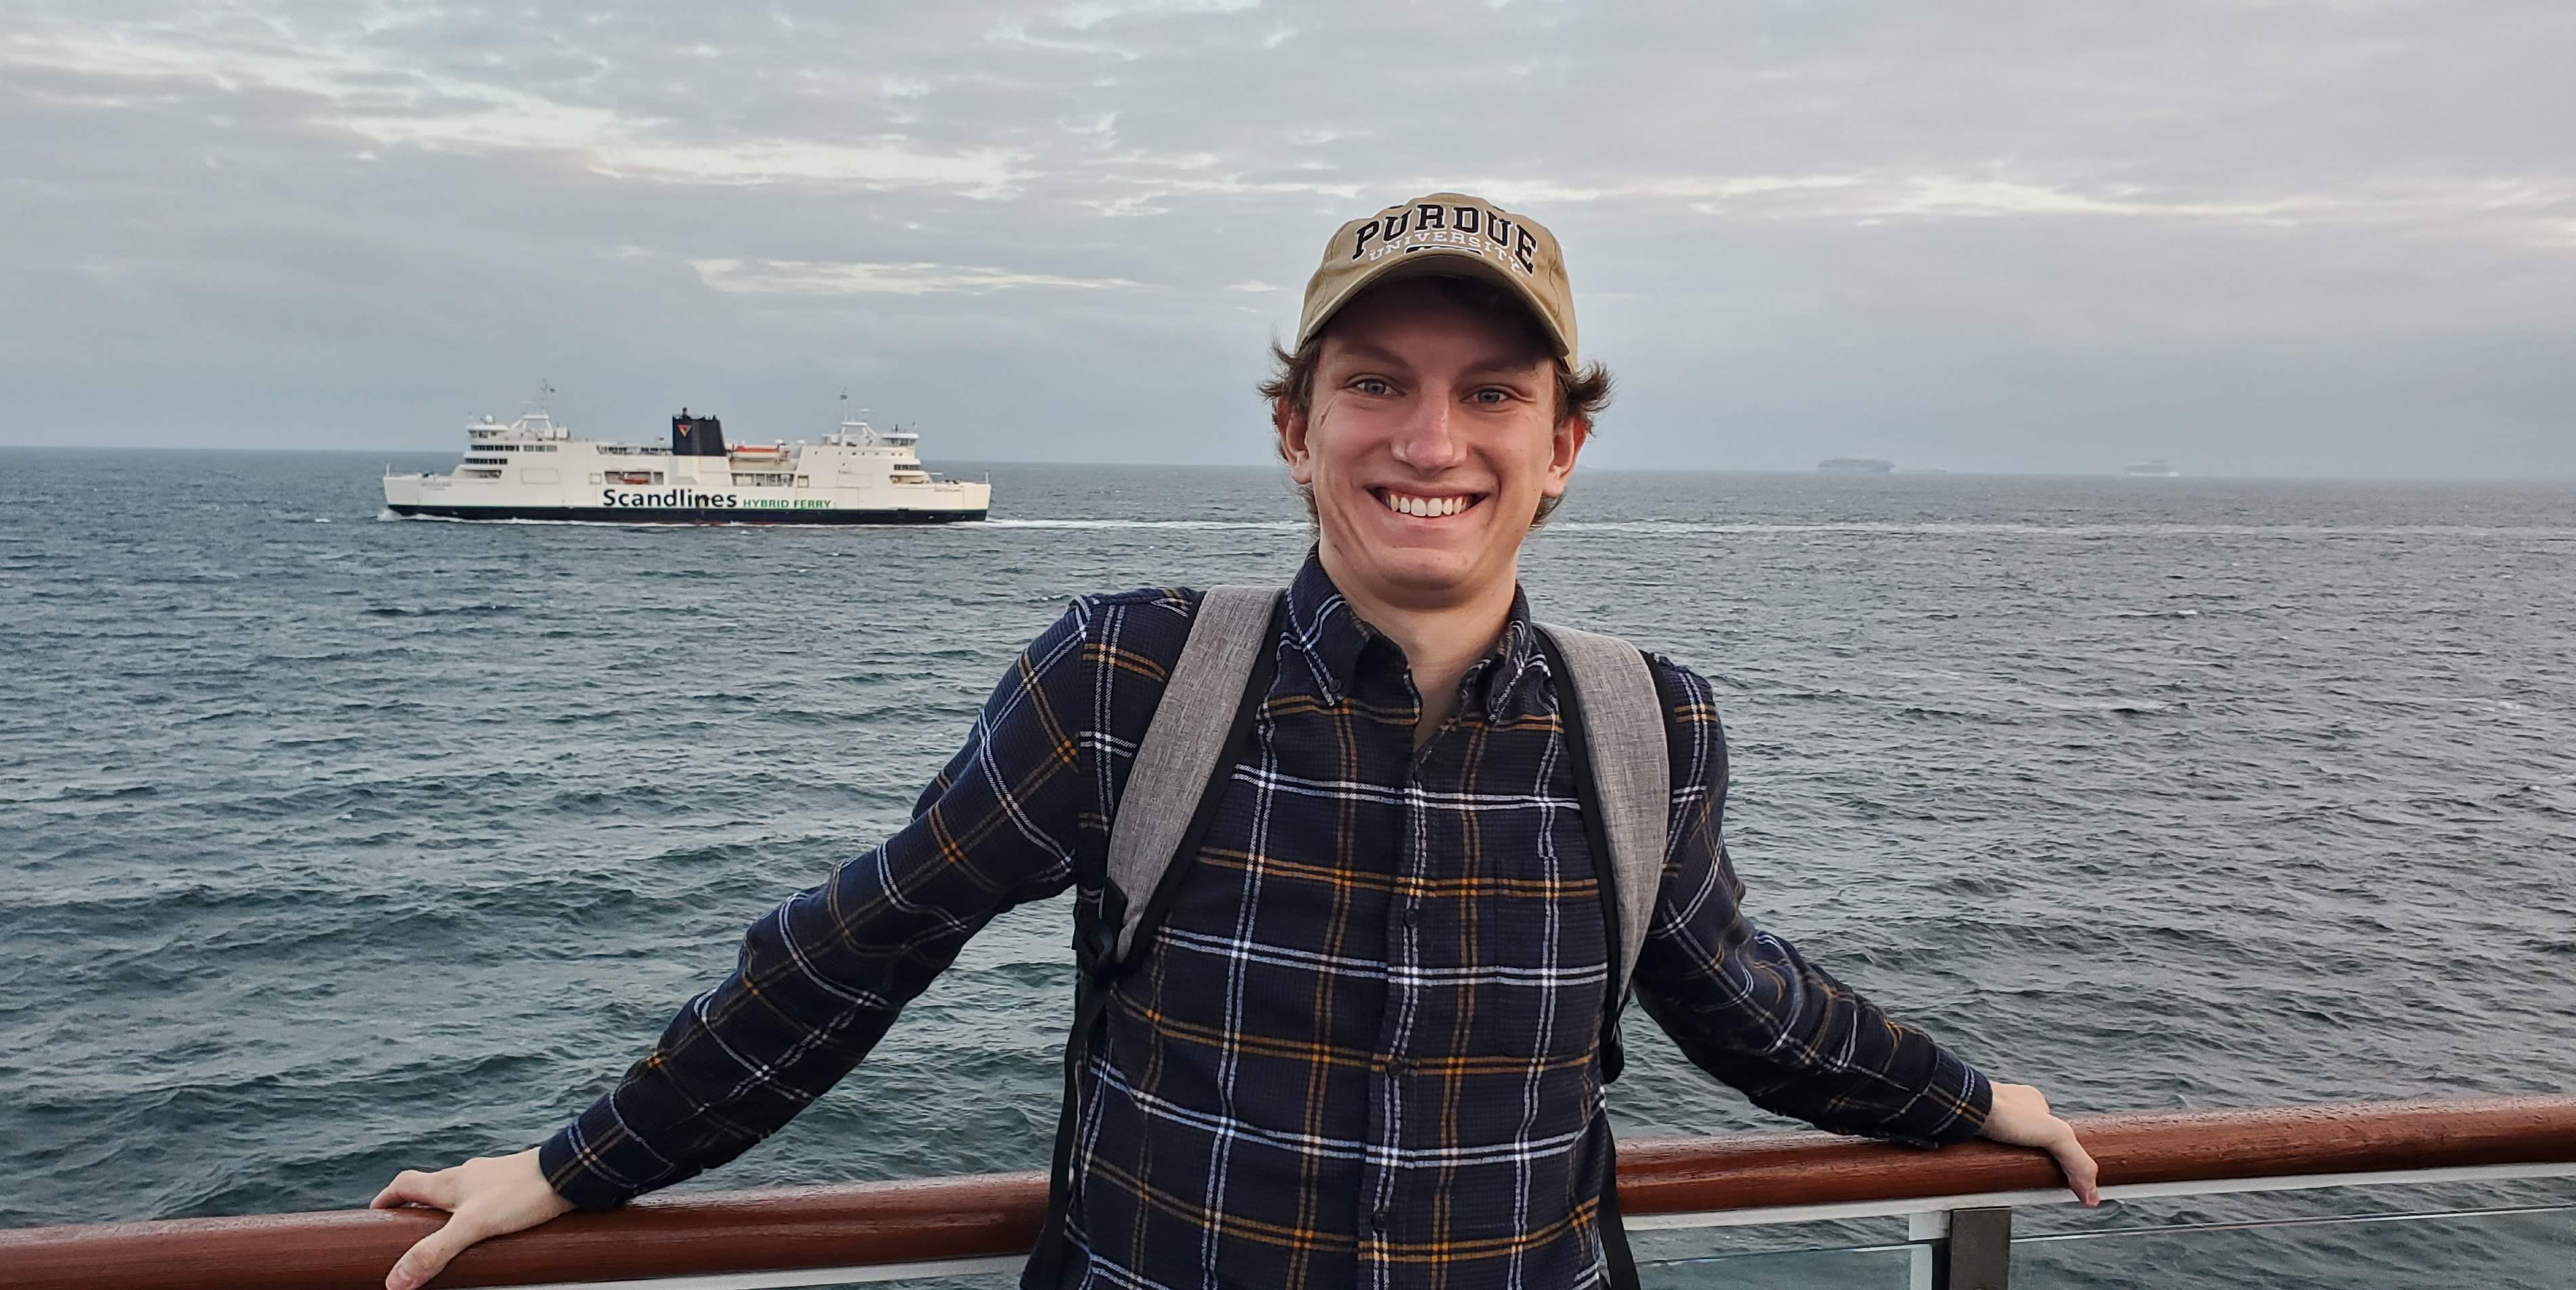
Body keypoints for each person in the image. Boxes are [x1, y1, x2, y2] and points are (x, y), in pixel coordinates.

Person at [371, 191, 2099, 1290]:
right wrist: (572, 1169)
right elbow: (858, 943)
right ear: (1295, 427)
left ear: (1564, 444)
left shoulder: (1648, 722)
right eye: (1376, 383)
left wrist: (1972, 1100)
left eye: (1495, 391)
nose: (1434, 437)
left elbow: (1742, 997)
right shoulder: (1128, 681)